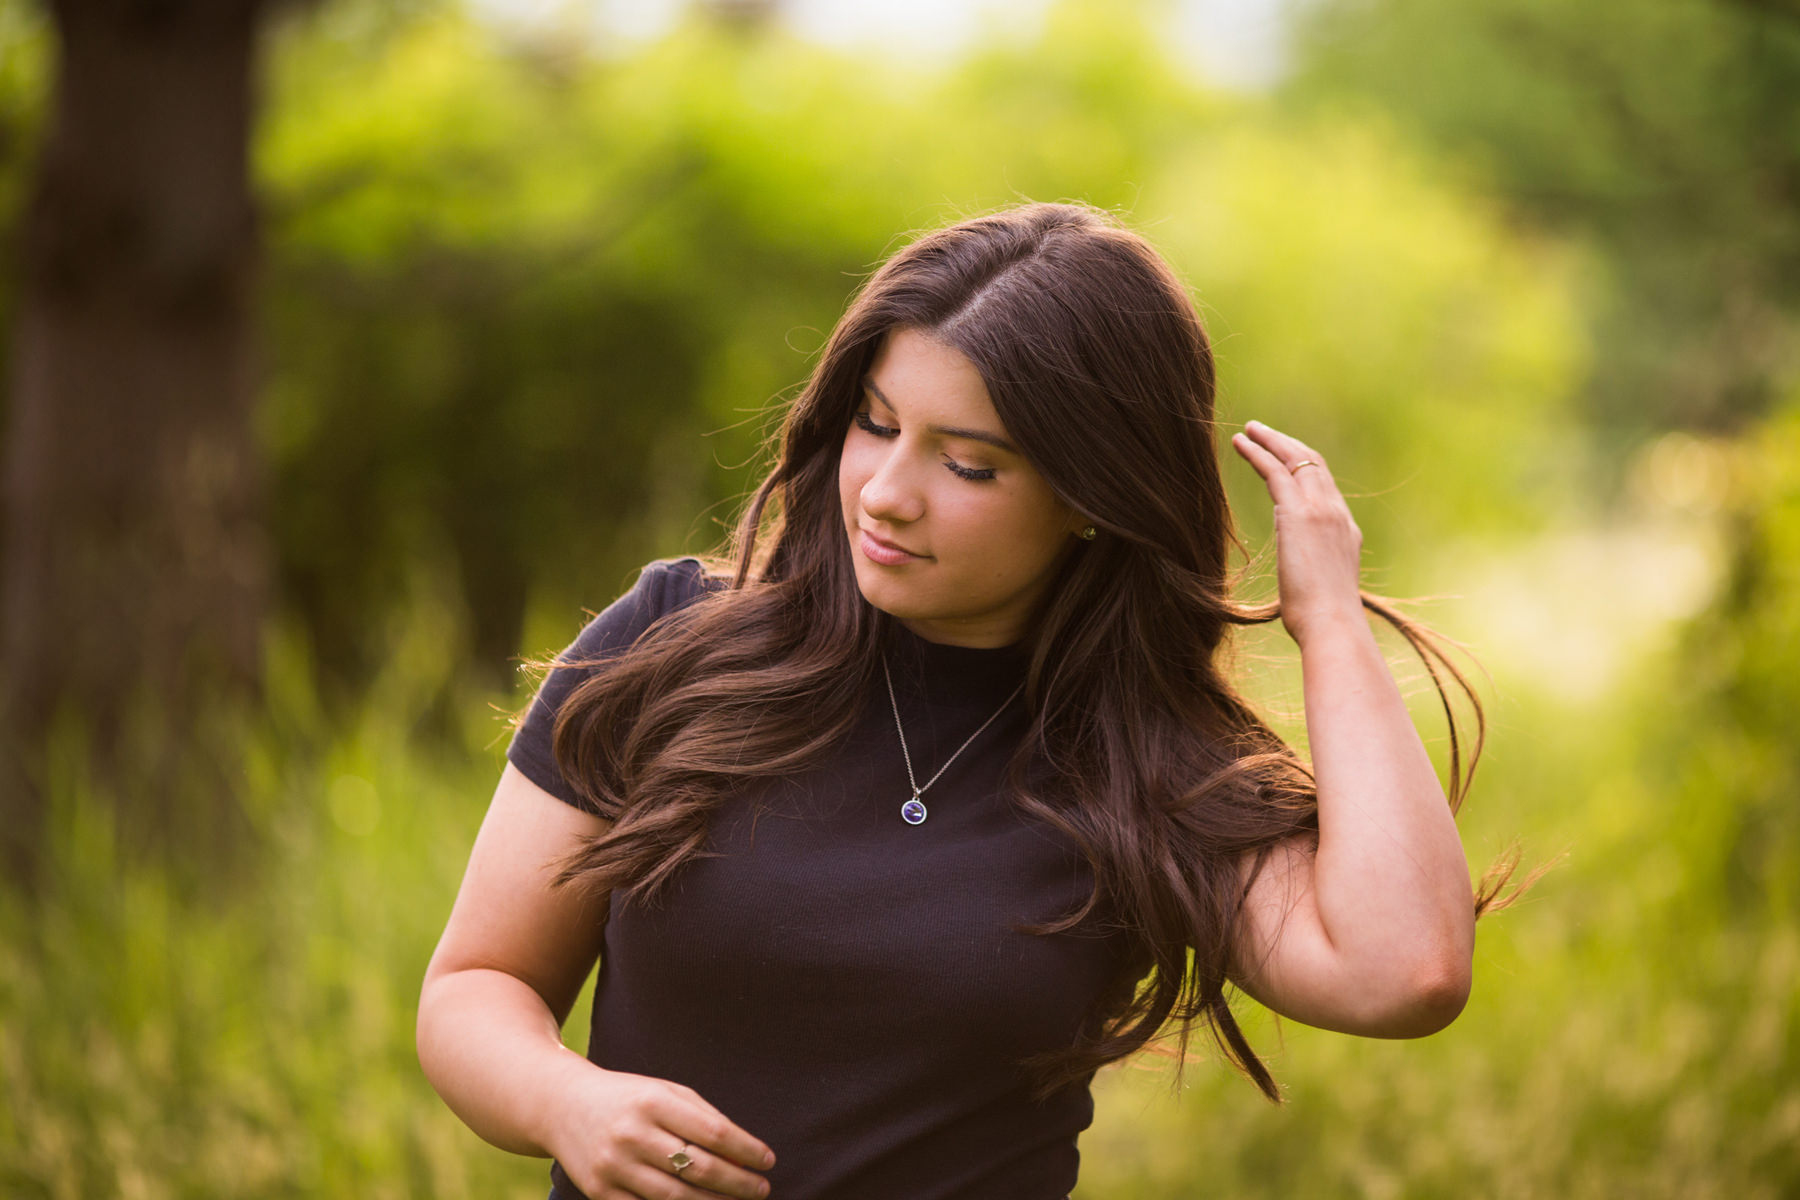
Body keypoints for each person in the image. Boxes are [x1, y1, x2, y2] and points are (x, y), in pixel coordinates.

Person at [416, 201, 1515, 1200]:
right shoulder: (674, 643)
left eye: (970, 465)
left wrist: (1330, 624)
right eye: (876, 424)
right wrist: (568, 1103)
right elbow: (476, 985)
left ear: (1091, 497)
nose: (887, 494)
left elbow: (1405, 973)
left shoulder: (1146, 766)